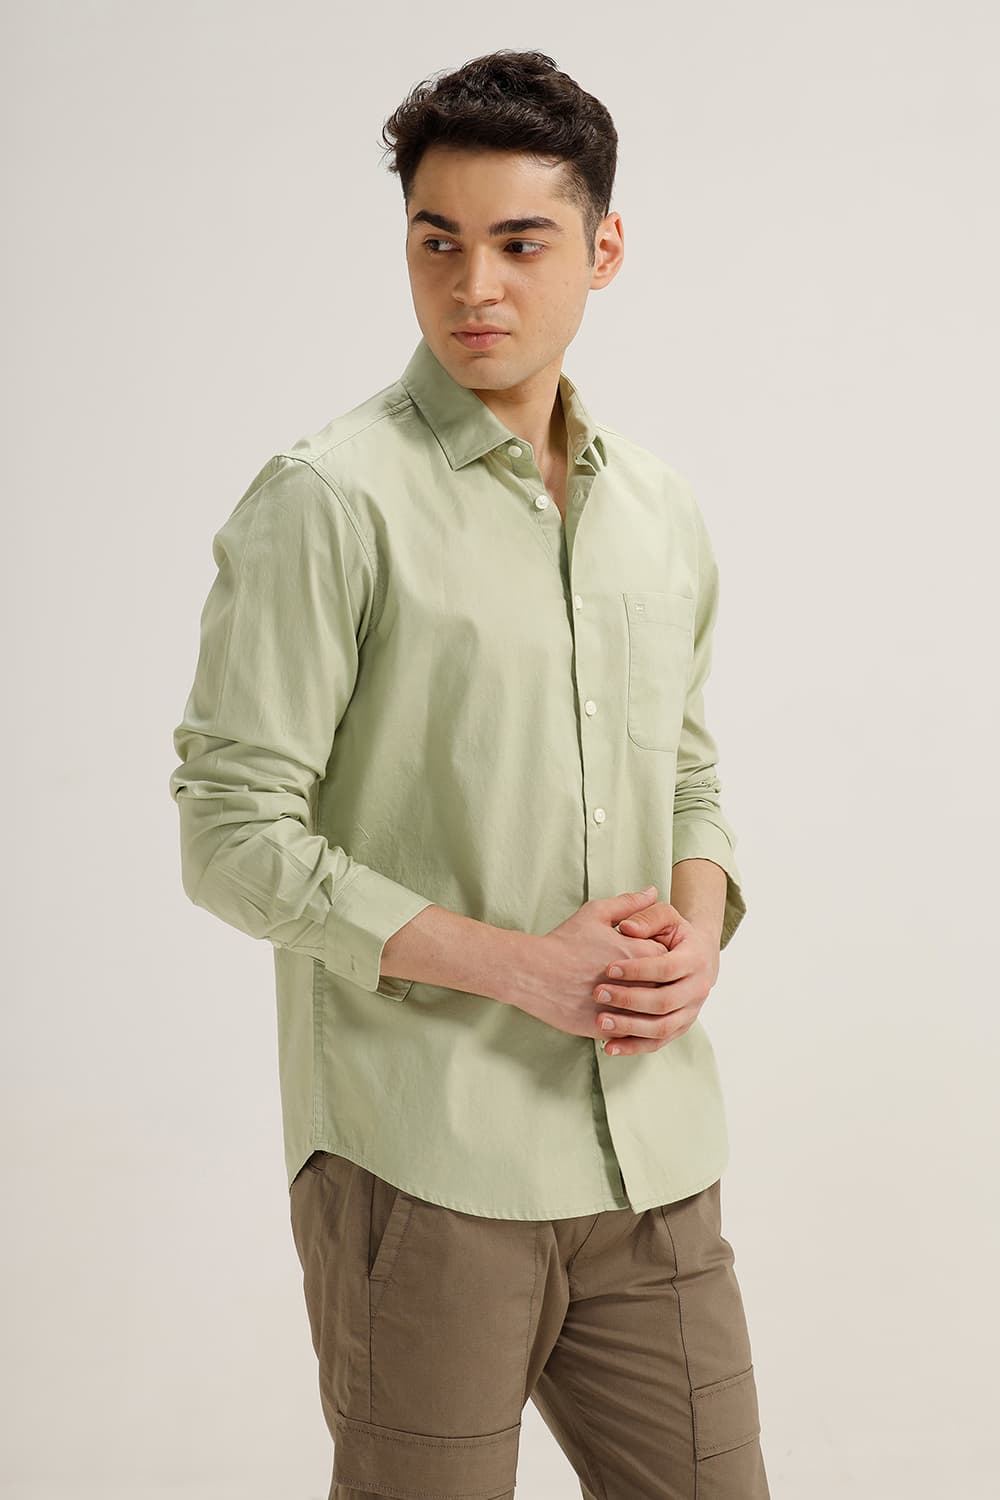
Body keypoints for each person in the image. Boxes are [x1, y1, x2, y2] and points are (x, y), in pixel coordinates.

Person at [169, 47, 770, 1500]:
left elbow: (689, 771)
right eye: (437, 242)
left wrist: (698, 930)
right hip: (422, 1162)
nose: (473, 287)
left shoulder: (659, 509)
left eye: (521, 243)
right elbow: (231, 834)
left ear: (602, 250)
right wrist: (521, 968)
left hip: (650, 1154)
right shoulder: (328, 501)